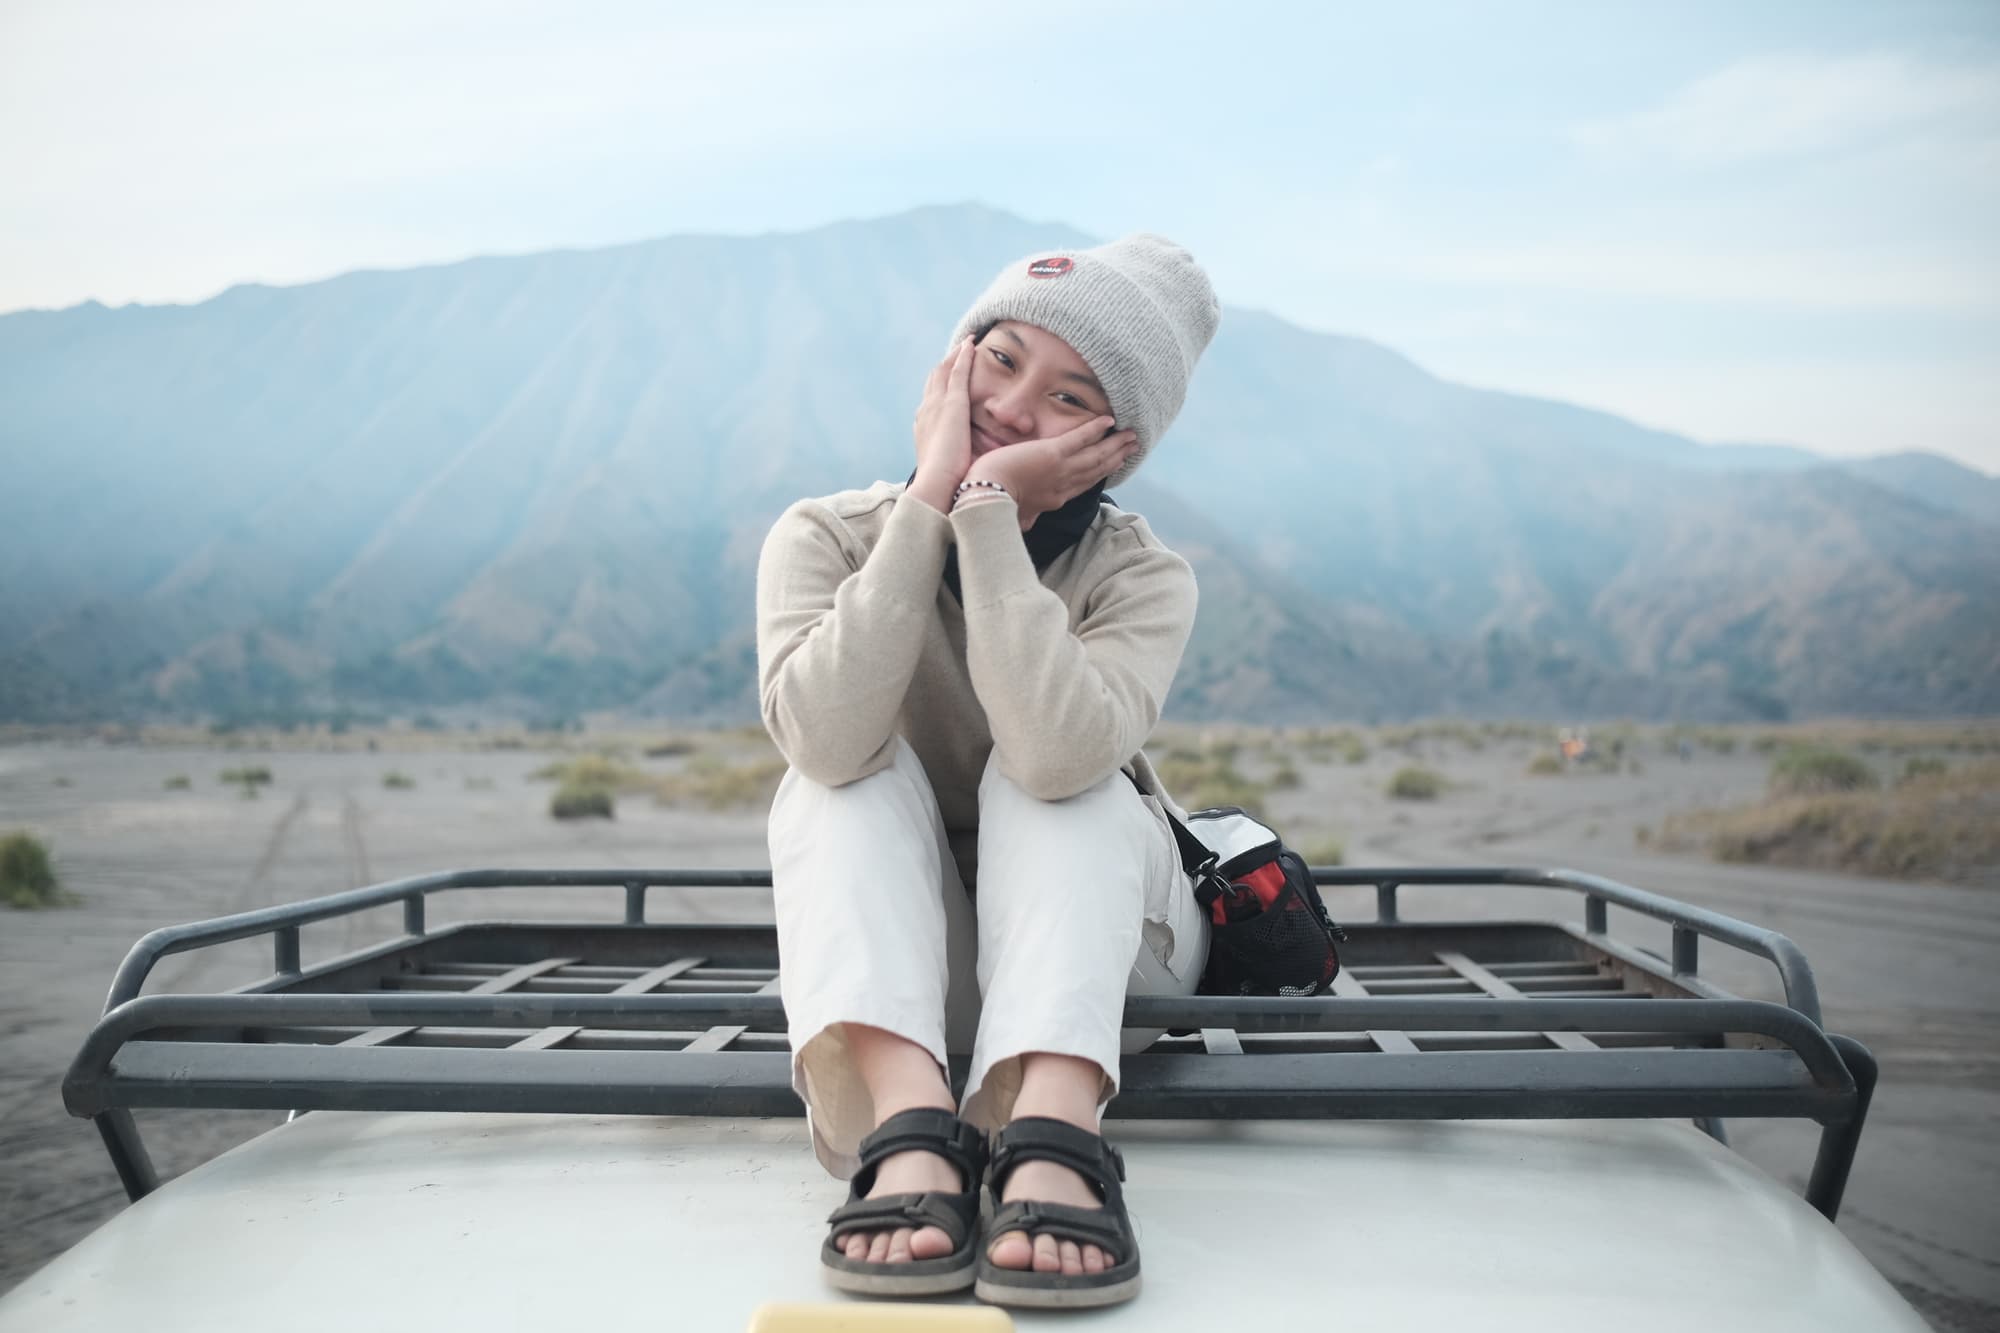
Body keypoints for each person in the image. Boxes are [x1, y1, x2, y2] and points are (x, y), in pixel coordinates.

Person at [755, 234, 1220, 1310]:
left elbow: (1057, 755)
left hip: (1102, 964)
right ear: (948, 363)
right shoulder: (824, 535)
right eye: (998, 358)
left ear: (1117, 443)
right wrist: (927, 505)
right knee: (835, 774)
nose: (1010, 406)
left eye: (1067, 395)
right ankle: (909, 1127)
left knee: (1054, 778)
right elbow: (822, 739)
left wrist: (986, 523)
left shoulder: (1141, 576)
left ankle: (1056, 1124)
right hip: (908, 982)